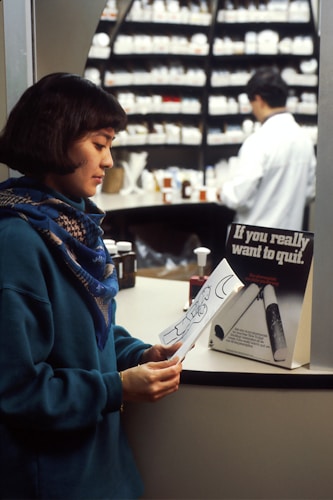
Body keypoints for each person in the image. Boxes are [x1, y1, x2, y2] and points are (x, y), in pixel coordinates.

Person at [0, 73, 182, 499]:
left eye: (110, 146)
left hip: (104, 471)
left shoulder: (76, 227)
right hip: (52, 481)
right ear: (56, 138)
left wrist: (138, 354)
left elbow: (91, 335)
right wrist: (116, 388)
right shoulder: (17, 243)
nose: (110, 161)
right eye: (99, 144)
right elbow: (17, 390)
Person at [218, 66, 316, 230]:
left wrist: (222, 192)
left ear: (259, 100)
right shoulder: (304, 140)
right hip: (291, 243)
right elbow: (310, 192)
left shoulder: (258, 141)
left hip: (254, 244)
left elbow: (239, 197)